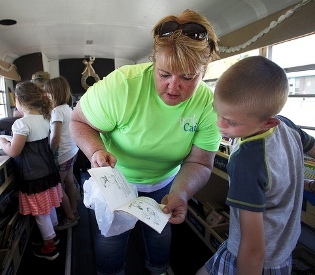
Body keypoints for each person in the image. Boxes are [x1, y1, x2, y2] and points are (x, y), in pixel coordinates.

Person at [70, 9, 221, 275]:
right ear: (154, 61)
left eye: (188, 77)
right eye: (164, 74)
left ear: (204, 70)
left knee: (160, 234)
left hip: (165, 182)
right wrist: (96, 150)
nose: (174, 87)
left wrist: (181, 193)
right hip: (118, 181)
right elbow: (79, 121)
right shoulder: (122, 86)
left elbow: (200, 161)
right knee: (110, 239)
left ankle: (158, 269)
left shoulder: (209, 104)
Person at [195, 55, 315, 275]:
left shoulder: (247, 161)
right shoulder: (287, 126)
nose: (220, 125)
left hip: (254, 261)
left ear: (267, 122)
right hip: (282, 252)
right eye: (218, 112)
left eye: (232, 122)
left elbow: (253, 249)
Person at [0, 81, 62, 261]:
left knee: (40, 213)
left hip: (32, 174)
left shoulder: (21, 124)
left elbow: (14, 151)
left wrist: (1, 141)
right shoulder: (45, 117)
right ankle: (54, 235)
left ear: (19, 100)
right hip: (47, 170)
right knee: (48, 206)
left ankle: (50, 246)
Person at [43, 76, 80, 230]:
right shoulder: (69, 108)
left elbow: (55, 137)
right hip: (72, 151)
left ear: (54, 93)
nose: (45, 96)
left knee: (56, 186)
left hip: (62, 154)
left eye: (47, 93)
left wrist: (49, 153)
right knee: (69, 181)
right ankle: (74, 210)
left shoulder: (57, 111)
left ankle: (70, 217)